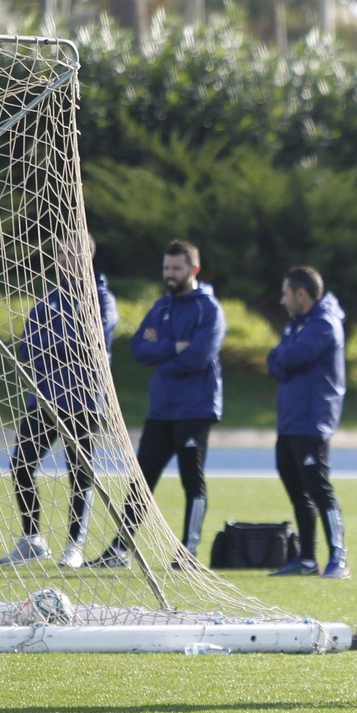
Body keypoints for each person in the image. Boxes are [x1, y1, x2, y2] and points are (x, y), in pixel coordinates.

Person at [90, 239, 227, 569]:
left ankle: (188, 551)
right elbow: (139, 348)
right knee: (141, 479)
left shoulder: (208, 309)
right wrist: (174, 346)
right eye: (166, 268)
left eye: (177, 268)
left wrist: (165, 350)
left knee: (191, 481)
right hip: (161, 409)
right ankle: (120, 549)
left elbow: (198, 356)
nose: (170, 274)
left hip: (195, 408)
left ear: (193, 270)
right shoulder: (162, 307)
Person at [0, 233, 119, 569]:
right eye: (62, 253)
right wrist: (62, 341)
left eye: (73, 253)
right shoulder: (48, 299)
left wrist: (56, 341)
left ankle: (74, 547)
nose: (66, 259)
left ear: (89, 257)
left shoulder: (102, 298)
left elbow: (93, 340)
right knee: (21, 465)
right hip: (44, 399)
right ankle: (32, 539)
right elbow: (27, 346)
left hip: (83, 401)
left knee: (79, 474)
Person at [266, 266, 350, 579]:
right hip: (290, 419)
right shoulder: (297, 324)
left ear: (302, 294)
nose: (282, 299)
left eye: (286, 293)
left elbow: (291, 358)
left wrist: (281, 358)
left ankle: (339, 557)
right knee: (296, 490)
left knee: (319, 489)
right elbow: (277, 361)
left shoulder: (324, 323)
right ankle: (306, 560)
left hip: (313, 420)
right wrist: (280, 358)